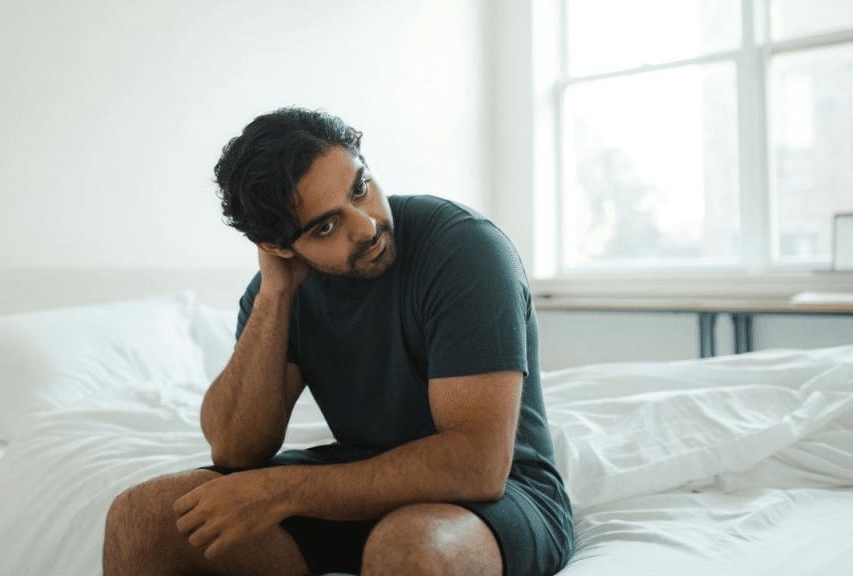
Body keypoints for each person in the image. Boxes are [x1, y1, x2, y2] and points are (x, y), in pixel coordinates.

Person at [103, 107, 575, 576]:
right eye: (326, 227)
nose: (366, 225)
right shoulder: (281, 289)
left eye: (360, 188)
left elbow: (477, 466)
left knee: (410, 548)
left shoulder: (464, 248)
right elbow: (235, 450)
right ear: (280, 247)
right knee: (141, 517)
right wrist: (276, 292)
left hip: (504, 495)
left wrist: (281, 490)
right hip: (360, 480)